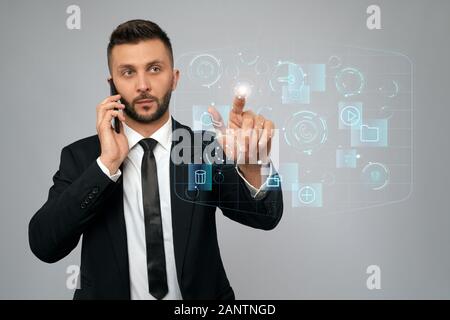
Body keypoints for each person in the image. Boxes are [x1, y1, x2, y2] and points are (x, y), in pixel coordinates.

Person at [28, 19, 283, 300]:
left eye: (154, 69)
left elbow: (266, 217)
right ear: (112, 83)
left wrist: (251, 164)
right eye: (128, 72)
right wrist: (106, 166)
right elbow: (45, 245)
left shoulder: (204, 148)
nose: (143, 85)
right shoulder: (82, 157)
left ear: (174, 77)